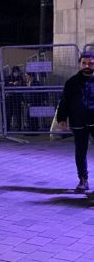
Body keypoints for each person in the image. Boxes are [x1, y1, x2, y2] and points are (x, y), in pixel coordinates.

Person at [56, 51, 94, 193]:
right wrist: (61, 119)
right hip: (78, 122)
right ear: (79, 64)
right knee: (80, 152)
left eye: (90, 63)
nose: (87, 66)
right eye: (84, 63)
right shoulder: (71, 82)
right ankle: (83, 180)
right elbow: (64, 102)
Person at [4, 66, 25, 131]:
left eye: (17, 72)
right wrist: (13, 84)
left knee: (18, 114)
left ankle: (19, 128)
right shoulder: (8, 78)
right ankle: (7, 128)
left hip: (17, 98)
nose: (16, 73)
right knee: (9, 114)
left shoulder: (20, 78)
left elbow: (23, 85)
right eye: (15, 72)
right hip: (10, 98)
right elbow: (5, 86)